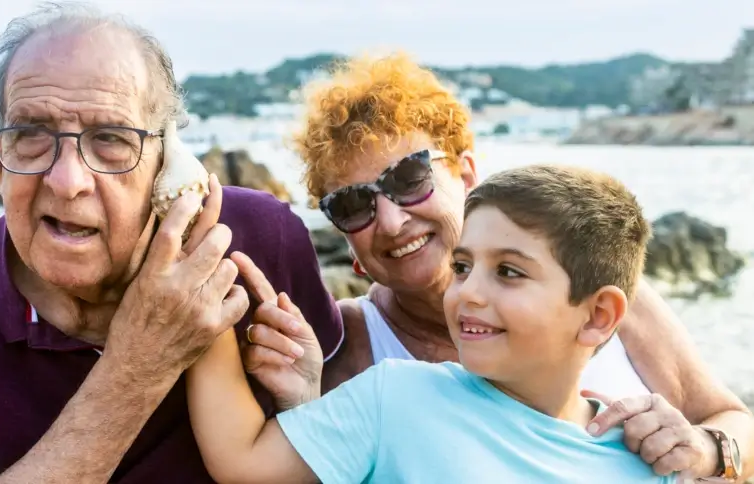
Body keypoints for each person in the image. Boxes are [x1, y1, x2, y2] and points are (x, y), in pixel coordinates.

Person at [0, 4, 342, 484]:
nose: (67, 180)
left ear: (166, 159)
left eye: (111, 138)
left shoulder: (258, 237)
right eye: (31, 135)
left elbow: (352, 422)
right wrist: (140, 364)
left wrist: (304, 405)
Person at [235, 53, 751, 481]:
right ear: (345, 239)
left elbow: (733, 420)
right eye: (352, 206)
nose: (390, 221)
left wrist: (705, 448)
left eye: (409, 177)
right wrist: (298, 404)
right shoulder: (346, 350)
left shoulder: (601, 297)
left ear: (467, 174)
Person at [186, 164, 680, 483]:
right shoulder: (394, 397)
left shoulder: (645, 458)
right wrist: (203, 294)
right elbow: (242, 462)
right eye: (463, 267)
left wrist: (709, 448)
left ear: (598, 317)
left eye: (509, 272)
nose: (467, 293)